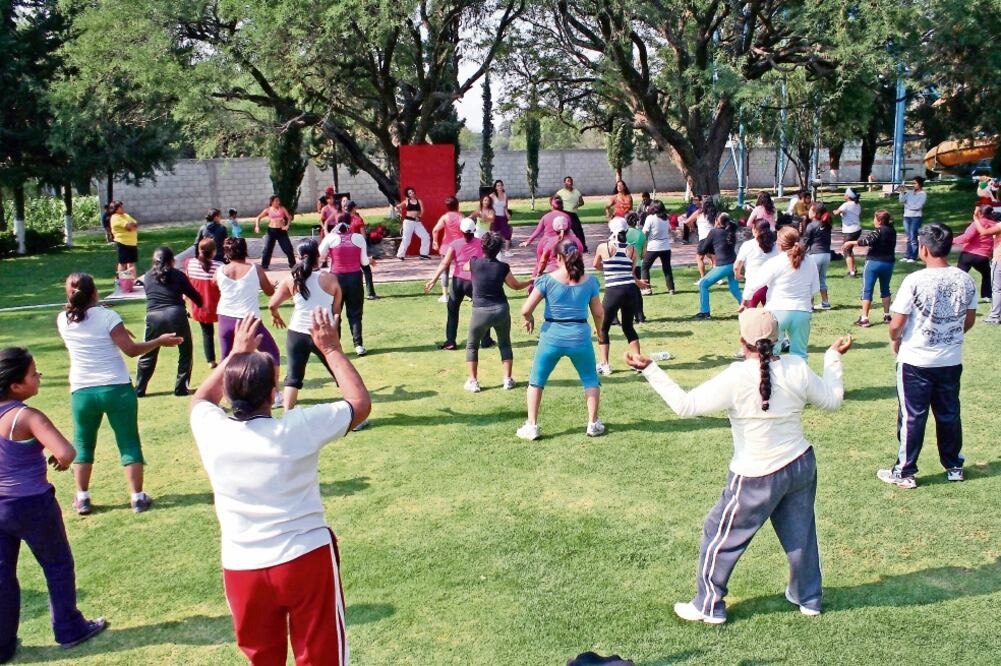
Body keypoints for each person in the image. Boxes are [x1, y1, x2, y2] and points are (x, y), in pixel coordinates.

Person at [624, 309, 851, 624]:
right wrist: (832, 358)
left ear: (742, 341)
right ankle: (808, 597)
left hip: (756, 475)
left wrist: (651, 369)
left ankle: (708, 604)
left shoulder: (736, 375)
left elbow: (684, 406)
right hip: (800, 465)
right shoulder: (796, 367)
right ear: (778, 339)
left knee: (717, 532)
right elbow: (833, 401)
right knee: (801, 535)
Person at [189, 311, 370, 666]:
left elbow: (200, 401)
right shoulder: (296, 428)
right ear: (273, 394)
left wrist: (233, 356)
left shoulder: (213, 430)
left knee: (262, 659)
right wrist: (331, 349)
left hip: (243, 567)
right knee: (321, 656)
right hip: (305, 558)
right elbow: (359, 404)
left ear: (228, 389)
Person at [0, 348, 108, 662]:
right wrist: (58, 463)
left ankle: (3, 645)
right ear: (17, 386)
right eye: (34, 374)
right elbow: (66, 452)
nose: (39, 377)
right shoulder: (28, 416)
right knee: (57, 566)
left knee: (3, 575)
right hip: (33, 504)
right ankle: (69, 628)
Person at [56, 273, 181, 515]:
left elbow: (87, 325)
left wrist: (116, 330)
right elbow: (132, 351)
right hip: (116, 388)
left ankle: (82, 497)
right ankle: (137, 497)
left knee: (83, 443)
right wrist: (159, 341)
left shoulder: (63, 320)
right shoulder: (108, 316)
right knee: (129, 442)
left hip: (82, 391)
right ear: (95, 292)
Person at [878, 223, 977, 489]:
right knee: (949, 413)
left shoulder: (914, 281)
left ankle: (905, 471)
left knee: (912, 415)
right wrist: (950, 334)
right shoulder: (965, 279)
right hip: (950, 358)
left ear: (923, 248)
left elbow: (897, 323)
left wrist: (896, 338)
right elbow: (969, 320)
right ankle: (954, 465)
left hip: (916, 360)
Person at [519, 241, 605, 440]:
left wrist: (529, 318)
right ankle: (592, 423)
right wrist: (600, 332)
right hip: (580, 336)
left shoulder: (547, 280)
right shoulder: (590, 282)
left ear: (558, 258)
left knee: (536, 381)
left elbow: (525, 309)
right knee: (590, 379)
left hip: (552, 335)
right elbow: (599, 313)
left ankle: (532, 425)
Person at [269, 240, 343, 409]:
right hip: (324, 333)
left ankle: (288, 417)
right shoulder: (330, 278)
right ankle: (358, 417)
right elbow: (336, 309)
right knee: (340, 372)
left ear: (298, 257)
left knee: (293, 378)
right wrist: (335, 327)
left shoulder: (291, 279)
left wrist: (276, 316)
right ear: (318, 256)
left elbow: (272, 304)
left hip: (297, 333)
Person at [216, 237, 283, 403]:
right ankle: (275, 393)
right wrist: (273, 286)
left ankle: (224, 395)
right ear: (244, 250)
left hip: (225, 318)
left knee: (226, 358)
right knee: (272, 354)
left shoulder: (220, 270)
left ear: (226, 252)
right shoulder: (255, 269)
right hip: (248, 320)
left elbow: (214, 283)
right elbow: (268, 292)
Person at [464, 233, 533, 392]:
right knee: (505, 343)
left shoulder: (474, 262)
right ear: (499, 249)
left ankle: (473, 382)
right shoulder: (503, 267)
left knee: (472, 345)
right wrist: (529, 281)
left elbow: (466, 267)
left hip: (480, 310)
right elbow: (515, 286)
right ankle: (507, 380)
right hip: (501, 309)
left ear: (483, 247)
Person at [134, 246, 202, 398]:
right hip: (176, 315)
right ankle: (181, 388)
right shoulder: (178, 275)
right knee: (185, 351)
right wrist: (201, 304)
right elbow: (194, 295)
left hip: (153, 317)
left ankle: (139, 389)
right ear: (172, 260)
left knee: (148, 353)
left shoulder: (146, 276)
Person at [745, 227, 819, 359]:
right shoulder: (810, 261)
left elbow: (755, 283)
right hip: (802, 311)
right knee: (800, 355)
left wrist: (745, 298)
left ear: (779, 244)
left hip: (777, 311)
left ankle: (775, 379)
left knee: (772, 354)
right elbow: (815, 289)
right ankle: (801, 380)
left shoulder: (775, 262)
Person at [425, 218, 493, 352]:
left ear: (461, 231)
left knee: (452, 312)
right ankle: (485, 340)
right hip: (475, 282)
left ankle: (450, 342)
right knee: (484, 309)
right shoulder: (481, 244)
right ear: (474, 230)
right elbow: (487, 263)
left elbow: (445, 263)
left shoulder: (455, 244)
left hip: (457, 282)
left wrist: (433, 280)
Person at [593, 218, 647, 375]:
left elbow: (596, 265)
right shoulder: (631, 249)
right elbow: (630, 273)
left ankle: (605, 364)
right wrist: (637, 282)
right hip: (630, 290)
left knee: (603, 328)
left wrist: (608, 267)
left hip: (613, 291)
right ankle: (637, 361)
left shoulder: (604, 247)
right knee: (628, 326)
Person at [319, 215, 370, 356]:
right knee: (355, 313)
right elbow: (364, 262)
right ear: (351, 222)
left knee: (335, 313)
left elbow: (319, 256)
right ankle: (358, 345)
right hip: (355, 278)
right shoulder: (359, 238)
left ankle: (336, 346)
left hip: (336, 278)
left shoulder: (330, 238)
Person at [842, 210, 897, 328]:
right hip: (888, 263)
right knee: (885, 289)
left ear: (880, 221)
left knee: (867, 290)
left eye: (874, 218)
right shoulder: (892, 231)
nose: (873, 220)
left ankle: (865, 318)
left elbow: (866, 241)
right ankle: (887, 315)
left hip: (873, 263)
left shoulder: (878, 231)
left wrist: (849, 242)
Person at [691, 213, 743, 320]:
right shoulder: (730, 232)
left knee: (703, 284)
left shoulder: (714, 232)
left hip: (723, 265)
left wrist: (707, 254)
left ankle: (705, 313)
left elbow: (703, 248)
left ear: (717, 221)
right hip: (733, 264)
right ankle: (748, 309)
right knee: (735, 289)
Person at [185, 239, 224, 368]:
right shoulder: (219, 266)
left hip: (200, 306)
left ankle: (210, 360)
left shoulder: (189, 263)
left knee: (207, 333)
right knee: (225, 332)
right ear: (213, 252)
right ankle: (227, 357)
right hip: (218, 305)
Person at [954, 205, 995, 302]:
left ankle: (956, 295)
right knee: (987, 274)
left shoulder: (976, 224)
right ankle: (987, 295)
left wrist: (951, 240)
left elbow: (967, 237)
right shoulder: (994, 225)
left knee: (960, 276)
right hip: (983, 256)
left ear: (980, 213)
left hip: (968, 254)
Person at [735, 220, 779, 309]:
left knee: (748, 318)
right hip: (770, 286)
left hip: (752, 287)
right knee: (774, 318)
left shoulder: (747, 245)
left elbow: (737, 266)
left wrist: (738, 275)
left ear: (754, 230)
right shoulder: (775, 246)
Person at [431, 197, 465, 303]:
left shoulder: (445, 217)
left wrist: (435, 241)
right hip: (459, 247)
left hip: (446, 248)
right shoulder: (461, 217)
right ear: (457, 205)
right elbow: (466, 230)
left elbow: (435, 230)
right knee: (464, 270)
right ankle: (468, 294)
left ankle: (445, 295)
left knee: (445, 272)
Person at [342, 201, 379, 300]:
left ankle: (348, 294)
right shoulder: (358, 219)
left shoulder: (343, 221)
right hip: (357, 249)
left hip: (346, 249)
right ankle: (370, 293)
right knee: (366, 270)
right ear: (354, 208)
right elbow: (363, 236)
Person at [802, 202, 833, 311]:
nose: (808, 212)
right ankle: (825, 303)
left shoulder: (811, 225)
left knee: (810, 279)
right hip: (826, 255)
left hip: (815, 255)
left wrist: (800, 253)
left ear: (815, 213)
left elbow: (805, 242)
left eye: (810, 210)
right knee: (822, 279)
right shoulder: (827, 224)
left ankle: (809, 305)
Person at [972, 208, 1001, 324]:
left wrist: (976, 219)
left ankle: (995, 316)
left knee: (997, 289)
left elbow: (983, 232)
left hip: (999, 260)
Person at [641, 201, 675, 295]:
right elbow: (669, 230)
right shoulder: (665, 218)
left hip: (653, 247)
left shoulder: (650, 218)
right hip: (665, 247)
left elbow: (645, 233)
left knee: (644, 267)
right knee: (667, 268)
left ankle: (646, 288)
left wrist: (643, 244)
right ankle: (671, 288)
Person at [254, 195, 296, 271]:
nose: (278, 202)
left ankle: (293, 264)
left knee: (288, 248)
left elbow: (289, 217)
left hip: (281, 231)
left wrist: (287, 225)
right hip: (271, 231)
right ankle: (264, 266)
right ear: (272, 202)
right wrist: (257, 226)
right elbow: (258, 218)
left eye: (279, 201)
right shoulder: (268, 210)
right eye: (276, 201)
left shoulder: (282, 209)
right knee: (267, 249)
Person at [395, 187, 432, 260]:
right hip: (408, 222)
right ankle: (400, 255)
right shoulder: (406, 201)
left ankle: (423, 254)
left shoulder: (419, 201)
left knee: (426, 236)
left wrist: (419, 216)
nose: (412, 193)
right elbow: (397, 207)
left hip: (417, 222)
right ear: (408, 195)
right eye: (410, 193)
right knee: (406, 239)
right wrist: (400, 214)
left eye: (412, 192)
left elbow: (422, 210)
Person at [833, 188, 862, 277]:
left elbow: (836, 213)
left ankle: (852, 272)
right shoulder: (857, 204)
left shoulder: (846, 205)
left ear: (848, 196)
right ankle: (853, 268)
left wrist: (834, 211)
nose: (844, 195)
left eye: (845, 194)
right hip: (857, 229)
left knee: (846, 251)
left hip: (850, 231)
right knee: (849, 249)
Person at [556, 176, 589, 251]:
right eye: (568, 181)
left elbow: (582, 202)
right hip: (564, 214)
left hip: (573, 214)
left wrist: (577, 205)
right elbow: (554, 201)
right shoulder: (560, 193)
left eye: (571, 181)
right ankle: (558, 249)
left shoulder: (576, 192)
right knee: (562, 232)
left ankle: (583, 247)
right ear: (564, 183)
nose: (570, 182)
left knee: (579, 230)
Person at [898, 176, 927, 262]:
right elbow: (901, 200)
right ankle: (907, 255)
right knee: (908, 237)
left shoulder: (923, 194)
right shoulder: (909, 192)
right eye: (912, 183)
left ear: (920, 184)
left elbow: (918, 206)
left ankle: (913, 256)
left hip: (916, 217)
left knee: (913, 236)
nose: (913, 185)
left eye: (915, 183)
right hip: (906, 217)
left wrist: (907, 205)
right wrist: (902, 192)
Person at [625, 213, 647, 323]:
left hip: (625, 264)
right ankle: (640, 315)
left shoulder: (624, 234)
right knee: (637, 291)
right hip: (637, 264)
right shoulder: (641, 235)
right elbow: (644, 254)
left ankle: (627, 315)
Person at [109, 201, 139, 276]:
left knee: (131, 262)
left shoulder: (126, 215)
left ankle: (132, 280)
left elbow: (135, 224)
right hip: (122, 243)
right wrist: (131, 226)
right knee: (123, 263)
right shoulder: (115, 217)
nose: (123, 208)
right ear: (115, 209)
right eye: (120, 207)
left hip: (132, 242)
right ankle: (122, 281)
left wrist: (132, 226)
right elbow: (129, 226)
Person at [692, 200, 718, 280]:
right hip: (713, 238)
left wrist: (692, 228)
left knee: (699, 258)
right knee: (713, 259)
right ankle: (717, 279)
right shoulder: (714, 215)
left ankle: (703, 278)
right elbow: (718, 224)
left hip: (704, 238)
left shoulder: (699, 214)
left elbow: (687, 221)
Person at [490, 180, 513, 255]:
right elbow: (487, 205)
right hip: (495, 217)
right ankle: (495, 251)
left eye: (501, 185)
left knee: (507, 233)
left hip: (502, 217)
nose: (500, 187)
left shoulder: (505, 195)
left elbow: (505, 207)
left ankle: (507, 251)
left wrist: (507, 214)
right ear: (495, 187)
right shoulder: (492, 196)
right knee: (494, 235)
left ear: (503, 186)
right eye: (498, 185)